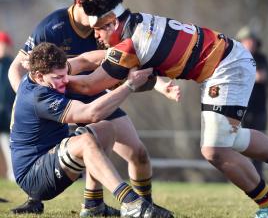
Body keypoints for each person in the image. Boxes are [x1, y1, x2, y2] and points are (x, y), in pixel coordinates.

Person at [66, 0, 268, 217]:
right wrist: (66, 67)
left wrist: (52, 79)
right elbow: (102, 59)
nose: (95, 35)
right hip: (228, 59)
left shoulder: (130, 44)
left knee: (214, 150)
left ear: (113, 22)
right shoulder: (135, 22)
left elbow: (89, 85)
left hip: (226, 67)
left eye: (97, 28)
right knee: (233, 138)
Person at [8, 0, 179, 215]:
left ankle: (106, 205)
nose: (100, 12)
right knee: (86, 141)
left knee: (129, 146)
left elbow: (101, 59)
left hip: (90, 94)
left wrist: (160, 85)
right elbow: (16, 69)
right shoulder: (52, 27)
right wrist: (32, 108)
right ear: (79, 1)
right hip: (61, 101)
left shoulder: (105, 26)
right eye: (93, 4)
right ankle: (131, 203)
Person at [10, 42, 173, 218]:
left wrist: (130, 55)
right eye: (58, 77)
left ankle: (94, 205)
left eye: (66, 74)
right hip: (33, 176)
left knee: (106, 128)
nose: (65, 81)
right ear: (39, 76)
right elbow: (91, 113)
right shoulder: (37, 96)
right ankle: (131, 202)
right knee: (86, 141)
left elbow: (84, 60)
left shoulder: (44, 78)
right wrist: (129, 85)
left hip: (46, 160)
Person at [236, 26, 268, 178]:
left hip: (259, 110)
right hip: (238, 109)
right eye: (246, 41)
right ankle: (240, 177)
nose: (250, 44)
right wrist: (252, 77)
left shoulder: (262, 59)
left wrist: (265, 78)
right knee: (237, 144)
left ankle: (258, 177)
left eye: (252, 41)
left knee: (259, 145)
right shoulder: (236, 58)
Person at [0, 31, 15, 181]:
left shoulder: (11, 65)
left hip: (6, 114)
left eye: (5, 46)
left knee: (8, 145)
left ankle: (13, 174)